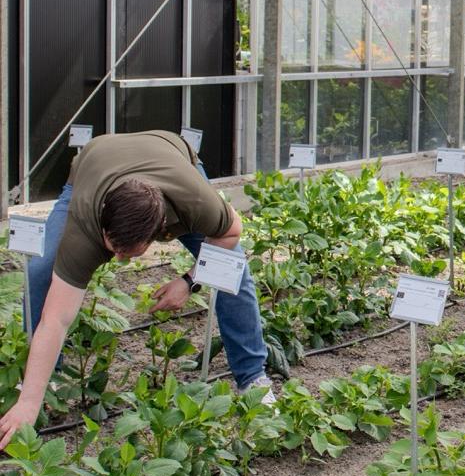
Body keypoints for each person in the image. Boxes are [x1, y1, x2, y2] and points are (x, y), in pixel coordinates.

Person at [0, 130, 272, 450]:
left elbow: (231, 232)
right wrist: (27, 404)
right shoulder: (86, 225)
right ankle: (43, 389)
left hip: (169, 154)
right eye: (111, 248)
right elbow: (56, 319)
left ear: (160, 234)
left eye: (128, 253)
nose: (116, 260)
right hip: (94, 163)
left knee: (232, 268)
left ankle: (253, 376)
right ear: (102, 226)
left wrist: (189, 281)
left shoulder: (193, 202)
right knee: (41, 271)